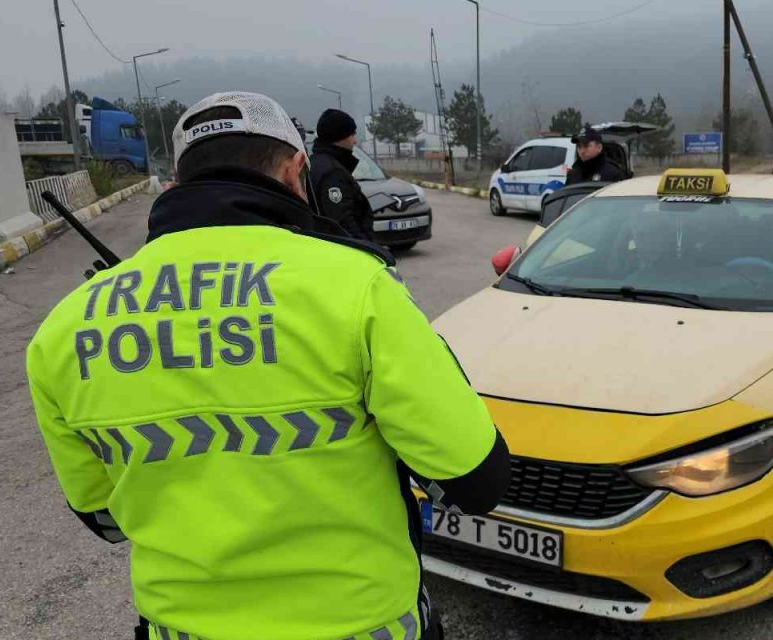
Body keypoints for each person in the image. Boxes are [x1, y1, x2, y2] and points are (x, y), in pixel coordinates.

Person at [26, 91, 510, 640]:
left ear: (176, 184)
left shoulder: (65, 330)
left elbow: (102, 518)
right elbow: (476, 480)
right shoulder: (358, 288)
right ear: (295, 168)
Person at [310, 108, 373, 239]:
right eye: (352, 134)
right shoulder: (332, 173)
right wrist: (366, 247)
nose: (355, 141)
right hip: (347, 251)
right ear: (339, 137)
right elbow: (342, 223)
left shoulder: (316, 162)